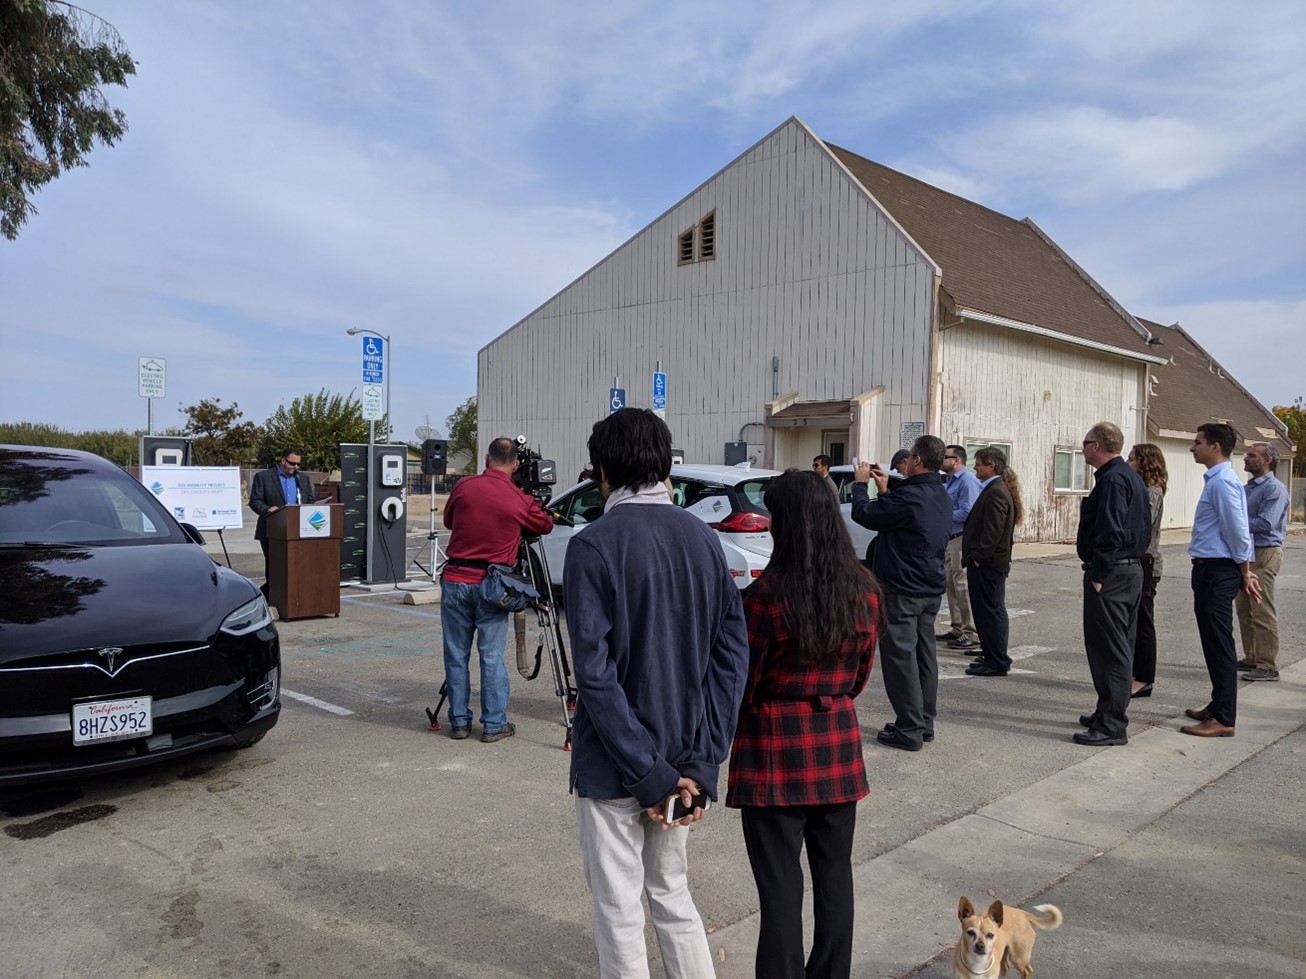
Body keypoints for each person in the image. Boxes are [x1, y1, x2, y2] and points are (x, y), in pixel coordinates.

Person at [563, 408, 749, 978]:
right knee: (672, 893)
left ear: (603, 472)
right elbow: (731, 656)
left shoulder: (593, 545)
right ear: (665, 464)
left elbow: (594, 675)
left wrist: (648, 774)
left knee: (618, 905)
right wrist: (700, 761)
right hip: (683, 756)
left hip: (616, 764)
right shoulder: (704, 539)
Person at [727, 470, 881, 978]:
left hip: (774, 746)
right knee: (836, 878)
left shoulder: (766, 597)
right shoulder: (865, 589)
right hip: (835, 739)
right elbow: (860, 676)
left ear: (785, 524)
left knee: (780, 891)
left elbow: (744, 683)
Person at [440, 437, 554, 742]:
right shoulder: (518, 497)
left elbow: (449, 520)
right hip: (492, 585)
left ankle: (459, 722)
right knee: (490, 656)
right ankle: (493, 724)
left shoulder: (464, 486)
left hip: (455, 579)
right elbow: (544, 526)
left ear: (487, 458)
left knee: (455, 655)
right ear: (516, 465)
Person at [850, 436, 951, 751]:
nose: (903, 463)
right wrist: (887, 487)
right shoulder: (939, 493)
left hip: (903, 589)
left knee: (900, 659)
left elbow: (864, 515)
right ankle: (923, 721)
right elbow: (905, 511)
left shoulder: (911, 498)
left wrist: (859, 485)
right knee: (924, 656)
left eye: (907, 458)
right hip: (928, 587)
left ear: (918, 460)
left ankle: (909, 728)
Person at [1182, 424, 1262, 738]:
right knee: (1213, 641)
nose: (1193, 448)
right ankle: (1218, 705)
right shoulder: (1218, 480)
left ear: (1215, 446)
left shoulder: (1224, 482)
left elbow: (1237, 530)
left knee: (1219, 644)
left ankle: (1224, 716)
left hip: (1218, 570)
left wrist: (1245, 571)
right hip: (1210, 568)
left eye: (1197, 442)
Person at [1074, 422, 1150, 747]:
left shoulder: (1113, 480)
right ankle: (1107, 710)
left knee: (1110, 649)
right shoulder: (1126, 476)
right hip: (1128, 572)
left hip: (1114, 574)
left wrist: (1100, 576)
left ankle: (1111, 724)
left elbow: (1111, 530)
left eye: (1086, 442)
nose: (1083, 447)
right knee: (1118, 645)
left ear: (1097, 446)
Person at [962, 447, 1022, 677]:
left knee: (991, 611)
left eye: (978, 463)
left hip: (988, 565)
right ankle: (991, 655)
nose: (975, 467)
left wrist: (978, 558)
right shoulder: (994, 488)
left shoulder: (996, 491)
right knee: (987, 611)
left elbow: (993, 532)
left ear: (991, 466)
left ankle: (997, 660)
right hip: (987, 564)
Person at [1236, 442, 1288, 683]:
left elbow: (1267, 523)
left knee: (1262, 609)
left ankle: (1268, 665)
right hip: (1246, 553)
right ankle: (1252, 656)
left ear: (1267, 461)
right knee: (1245, 608)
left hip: (1265, 552)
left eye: (1252, 455)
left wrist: (1233, 523)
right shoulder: (1249, 488)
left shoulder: (1274, 489)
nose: (1246, 458)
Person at [1126, 444, 1168, 698]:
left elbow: (1141, 526)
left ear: (1144, 463)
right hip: (1139, 561)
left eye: (1131, 459)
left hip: (1146, 562)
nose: (1127, 462)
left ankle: (1144, 678)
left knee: (1143, 622)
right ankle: (1133, 672)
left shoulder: (1151, 491)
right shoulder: (1141, 488)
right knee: (1133, 620)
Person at [248, 447, 313, 598]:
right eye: (292, 463)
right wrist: (267, 510)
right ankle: (272, 598)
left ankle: (294, 598)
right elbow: (255, 501)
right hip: (272, 530)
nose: (295, 467)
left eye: (298, 464)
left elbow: (309, 500)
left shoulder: (302, 479)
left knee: (296, 566)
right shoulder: (263, 477)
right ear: (283, 461)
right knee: (275, 567)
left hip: (298, 530)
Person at [938, 445, 981, 652]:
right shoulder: (950, 481)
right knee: (950, 583)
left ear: (957, 460)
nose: (941, 460)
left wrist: (940, 515)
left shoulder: (967, 481)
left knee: (962, 585)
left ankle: (971, 631)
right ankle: (957, 628)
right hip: (949, 537)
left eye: (945, 457)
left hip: (962, 538)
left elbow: (967, 511)